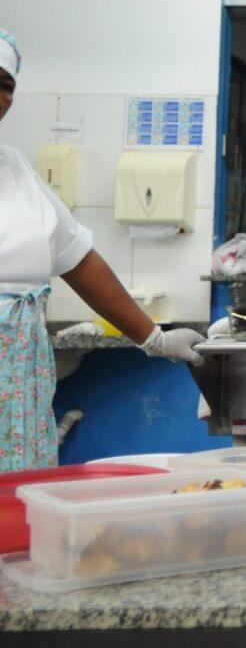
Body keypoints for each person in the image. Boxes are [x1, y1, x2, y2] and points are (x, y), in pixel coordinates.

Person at [0, 27, 205, 473]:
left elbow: (79, 260)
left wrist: (153, 338)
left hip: (18, 384)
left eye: (5, 84)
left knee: (18, 492)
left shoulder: (14, 169)